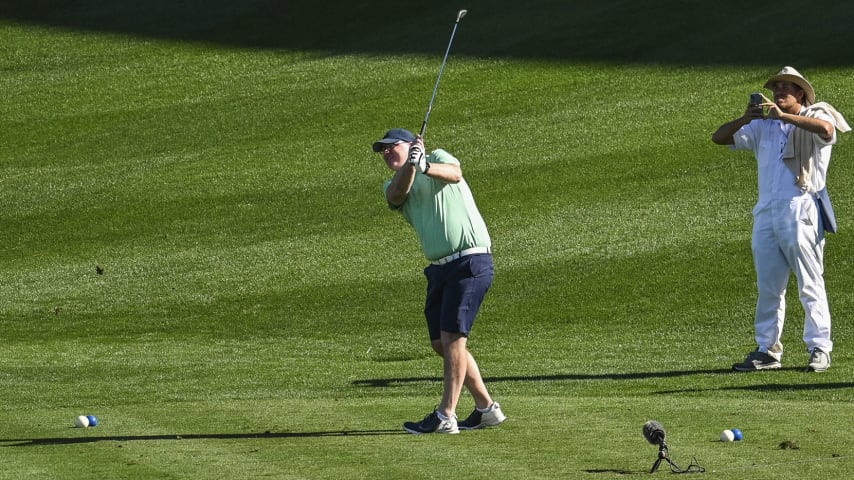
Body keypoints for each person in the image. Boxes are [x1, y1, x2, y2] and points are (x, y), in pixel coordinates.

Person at [711, 66, 850, 372]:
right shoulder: (762, 126)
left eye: (787, 87)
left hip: (801, 209)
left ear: (801, 93)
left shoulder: (817, 115)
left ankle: (819, 348)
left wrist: (783, 117)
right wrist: (748, 117)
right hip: (766, 212)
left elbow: (827, 132)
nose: (780, 92)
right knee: (769, 286)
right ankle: (767, 350)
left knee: (810, 283)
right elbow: (719, 138)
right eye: (777, 87)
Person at [372, 127, 506, 434]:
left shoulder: (437, 158)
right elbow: (396, 195)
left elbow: (455, 174)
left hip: (470, 260)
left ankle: (446, 414)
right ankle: (487, 409)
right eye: (383, 150)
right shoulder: (393, 184)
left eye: (393, 146)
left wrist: (425, 165)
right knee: (441, 344)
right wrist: (411, 166)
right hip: (439, 269)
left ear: (414, 144)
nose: (387, 152)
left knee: (453, 339)